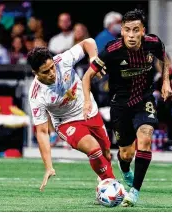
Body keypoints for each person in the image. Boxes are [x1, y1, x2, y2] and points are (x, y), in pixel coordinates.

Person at [82, 9, 172, 207]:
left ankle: (135, 192)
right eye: (127, 30)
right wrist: (87, 101)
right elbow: (87, 76)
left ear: (143, 31)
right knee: (125, 154)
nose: (131, 35)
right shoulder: (112, 50)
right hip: (120, 104)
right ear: (122, 31)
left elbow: (165, 58)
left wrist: (166, 81)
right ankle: (125, 169)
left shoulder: (153, 43)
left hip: (144, 99)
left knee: (146, 137)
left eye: (136, 30)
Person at [27, 38, 116, 192]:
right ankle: (112, 187)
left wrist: (93, 59)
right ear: (35, 73)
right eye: (45, 72)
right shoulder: (36, 94)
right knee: (94, 149)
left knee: (106, 154)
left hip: (88, 110)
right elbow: (42, 132)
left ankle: (104, 181)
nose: (52, 73)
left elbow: (88, 42)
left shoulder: (63, 60)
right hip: (66, 122)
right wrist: (48, 166)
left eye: (52, 68)